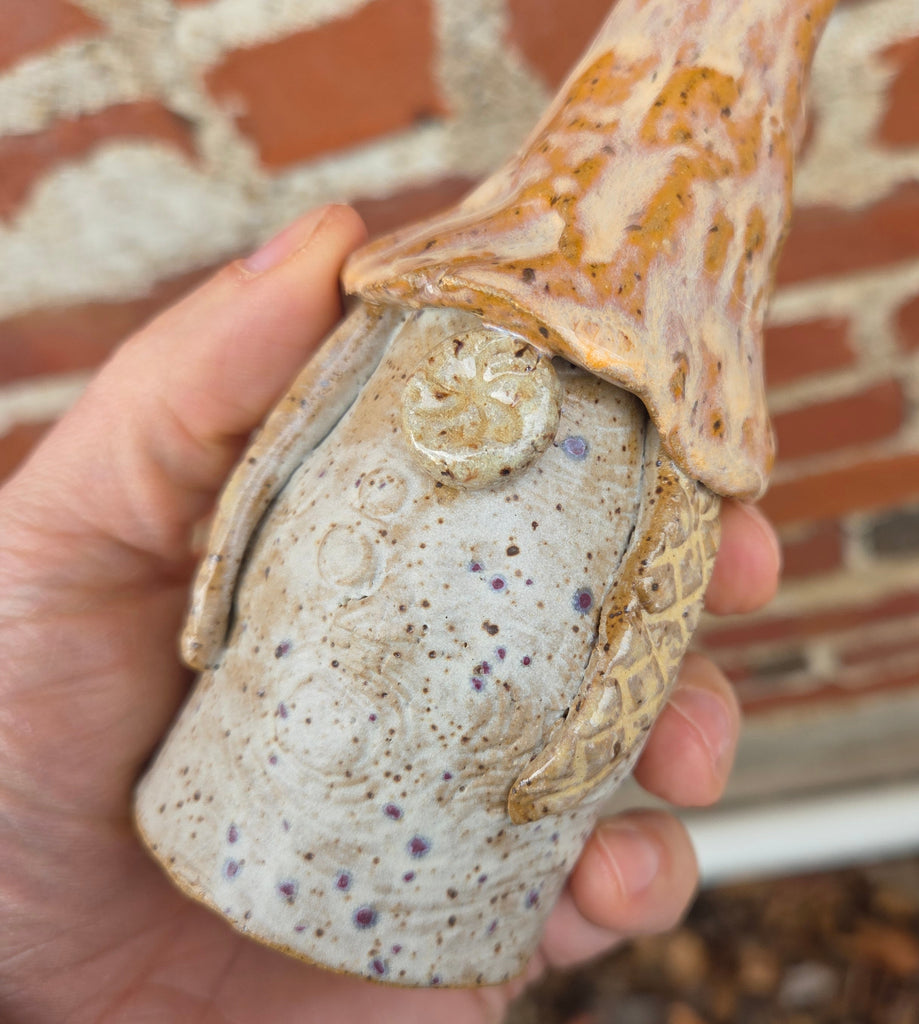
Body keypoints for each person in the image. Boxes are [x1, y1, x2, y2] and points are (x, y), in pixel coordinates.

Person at [0, 205, 780, 1023]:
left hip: (446, 903)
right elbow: (283, 446)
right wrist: (213, 605)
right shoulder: (454, 299)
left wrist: (581, 753)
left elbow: (647, 616)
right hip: (187, 807)